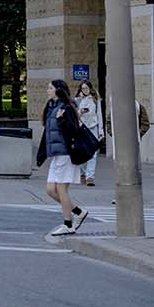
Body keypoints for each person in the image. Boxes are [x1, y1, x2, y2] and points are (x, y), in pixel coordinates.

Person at [39, 79, 96, 235]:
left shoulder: (67, 108)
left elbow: (73, 130)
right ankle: (78, 212)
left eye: (50, 88)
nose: (47, 90)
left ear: (58, 90)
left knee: (61, 189)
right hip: (56, 154)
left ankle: (68, 224)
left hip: (66, 154)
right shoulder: (51, 107)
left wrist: (62, 119)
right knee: (51, 190)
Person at [75, 81, 106, 187]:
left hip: (93, 128)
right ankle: (83, 173)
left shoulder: (95, 100)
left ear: (90, 89)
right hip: (81, 128)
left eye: (86, 88)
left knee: (93, 153)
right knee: (81, 152)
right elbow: (73, 115)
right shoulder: (78, 100)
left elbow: (99, 115)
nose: (84, 91)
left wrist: (101, 131)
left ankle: (90, 177)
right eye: (83, 89)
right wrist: (80, 112)